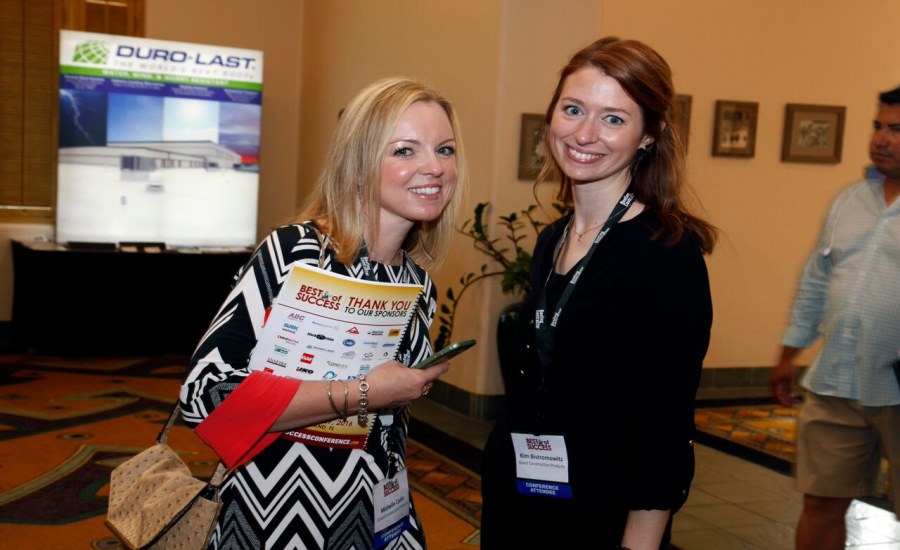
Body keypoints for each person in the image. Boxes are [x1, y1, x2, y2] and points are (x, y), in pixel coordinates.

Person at [179, 77, 468, 549]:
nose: (434, 167)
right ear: (358, 166)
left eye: (445, 150)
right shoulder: (296, 253)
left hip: (369, 514)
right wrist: (366, 391)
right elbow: (205, 396)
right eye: (404, 150)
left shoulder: (418, 286)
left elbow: (385, 432)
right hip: (271, 514)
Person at [480, 37, 717, 550]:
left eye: (613, 118)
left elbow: (664, 428)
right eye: (573, 109)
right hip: (520, 502)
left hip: (600, 518)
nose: (585, 134)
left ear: (649, 134)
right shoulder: (553, 240)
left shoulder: (665, 254)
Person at [771, 86, 900, 550]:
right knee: (821, 503)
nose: (880, 139)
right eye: (878, 126)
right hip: (838, 381)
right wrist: (789, 352)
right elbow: (816, 280)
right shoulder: (850, 200)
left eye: (896, 129)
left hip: (896, 384)